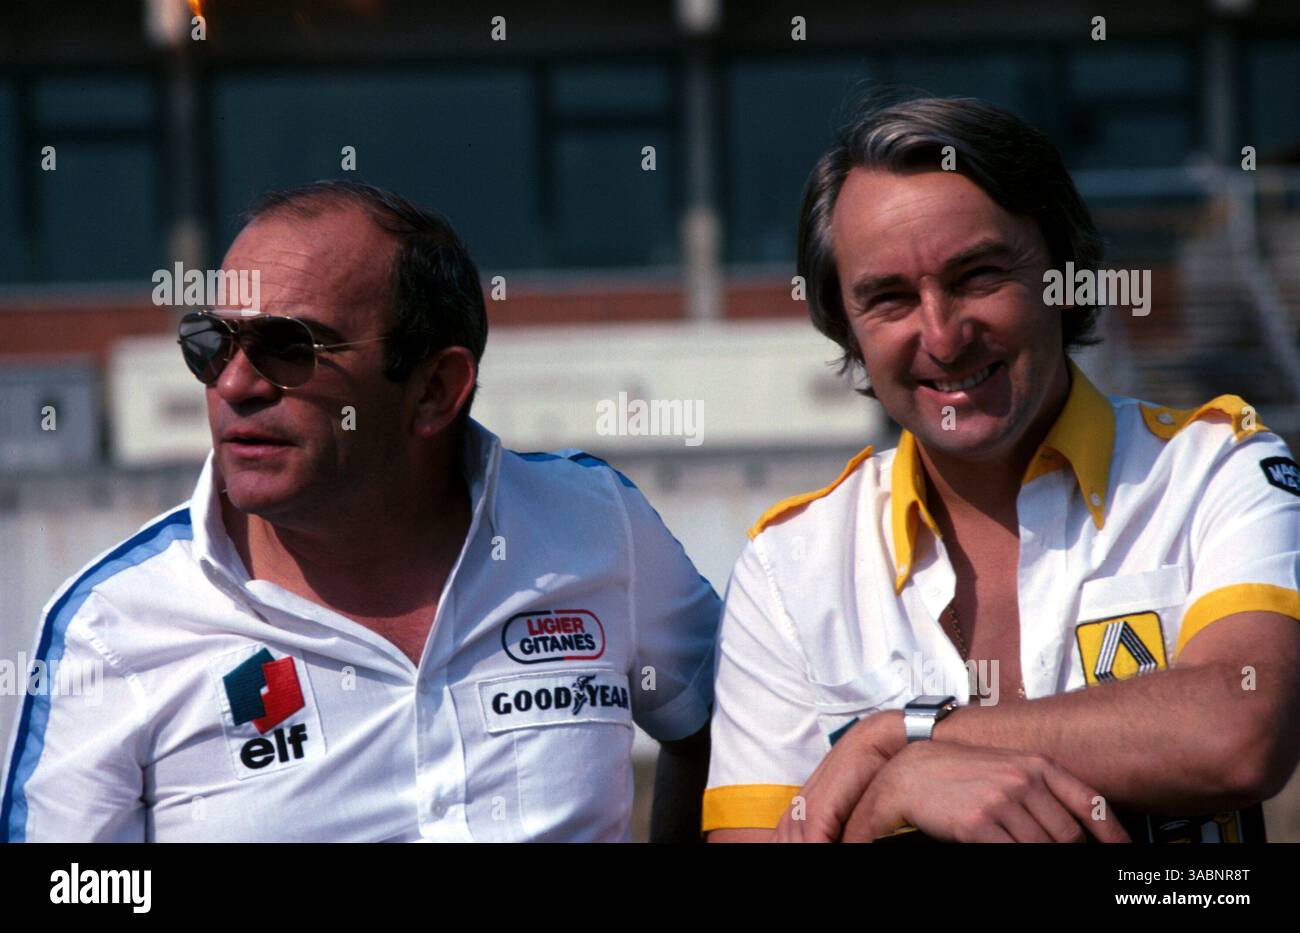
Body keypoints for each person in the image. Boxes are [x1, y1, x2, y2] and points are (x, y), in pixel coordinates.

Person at [1, 180, 717, 842]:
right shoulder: (111, 627)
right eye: (211, 344)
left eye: (289, 348)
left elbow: (735, 724)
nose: (235, 382)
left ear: (437, 388)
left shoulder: (595, 524)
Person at [703, 96, 1300, 843]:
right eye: (889, 297)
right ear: (845, 326)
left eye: (979, 275)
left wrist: (906, 735)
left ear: (1063, 270)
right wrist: (899, 790)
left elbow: (1242, 729)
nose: (945, 336)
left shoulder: (1217, 468)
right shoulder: (787, 570)